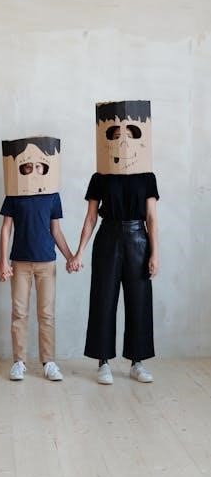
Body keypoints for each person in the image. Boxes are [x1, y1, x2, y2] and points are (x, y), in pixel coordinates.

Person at [70, 101, 159, 385]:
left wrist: (155, 253)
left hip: (138, 238)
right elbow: (90, 218)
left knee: (139, 300)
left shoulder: (147, 176)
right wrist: (79, 252)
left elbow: (151, 218)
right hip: (107, 237)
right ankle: (103, 362)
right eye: (116, 135)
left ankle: (137, 362)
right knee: (103, 298)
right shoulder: (101, 176)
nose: (123, 140)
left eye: (129, 135)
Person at [0, 136, 74, 381]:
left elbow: (56, 231)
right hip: (19, 262)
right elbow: (6, 228)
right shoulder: (14, 194)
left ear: (46, 168)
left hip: (46, 262)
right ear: (20, 168)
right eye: (28, 166)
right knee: (19, 313)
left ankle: (48, 362)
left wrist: (70, 256)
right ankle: (19, 362)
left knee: (46, 314)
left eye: (39, 166)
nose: (33, 170)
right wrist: (2, 261)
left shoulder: (52, 196)